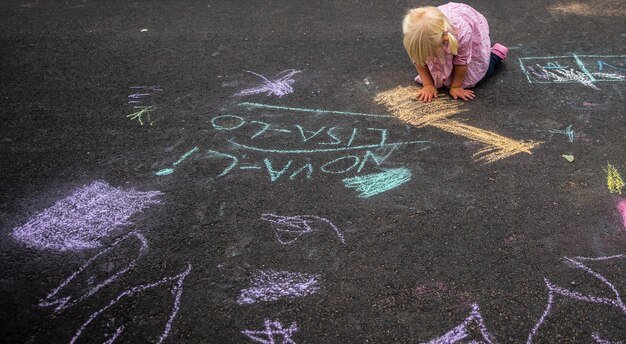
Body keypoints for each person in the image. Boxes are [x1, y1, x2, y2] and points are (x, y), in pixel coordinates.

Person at [402, 2, 508, 102]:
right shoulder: (417, 36)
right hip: (442, 32)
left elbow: (462, 61)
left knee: (479, 73)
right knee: (437, 65)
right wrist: (428, 85)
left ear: (444, 40)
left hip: (465, 30)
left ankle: (495, 55)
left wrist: (456, 86)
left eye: (430, 51)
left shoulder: (461, 33)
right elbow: (418, 60)